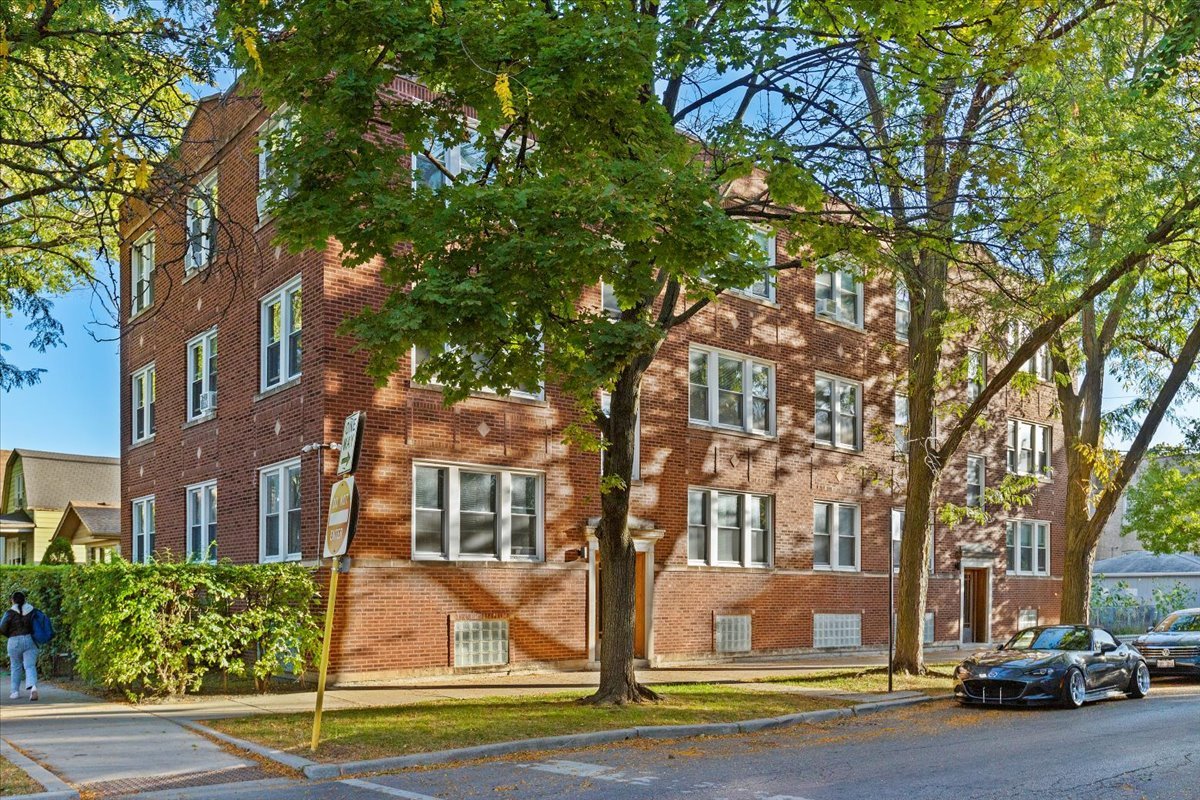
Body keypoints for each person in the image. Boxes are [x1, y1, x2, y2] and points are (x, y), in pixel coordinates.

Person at [0, 591, 40, 701]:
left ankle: (15, 692)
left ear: (12, 600)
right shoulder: (32, 611)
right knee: (30, 666)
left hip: (14, 641)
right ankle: (33, 688)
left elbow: (2, 628)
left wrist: (10, 635)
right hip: (29, 640)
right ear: (25, 599)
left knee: (16, 667)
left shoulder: (9, 613)